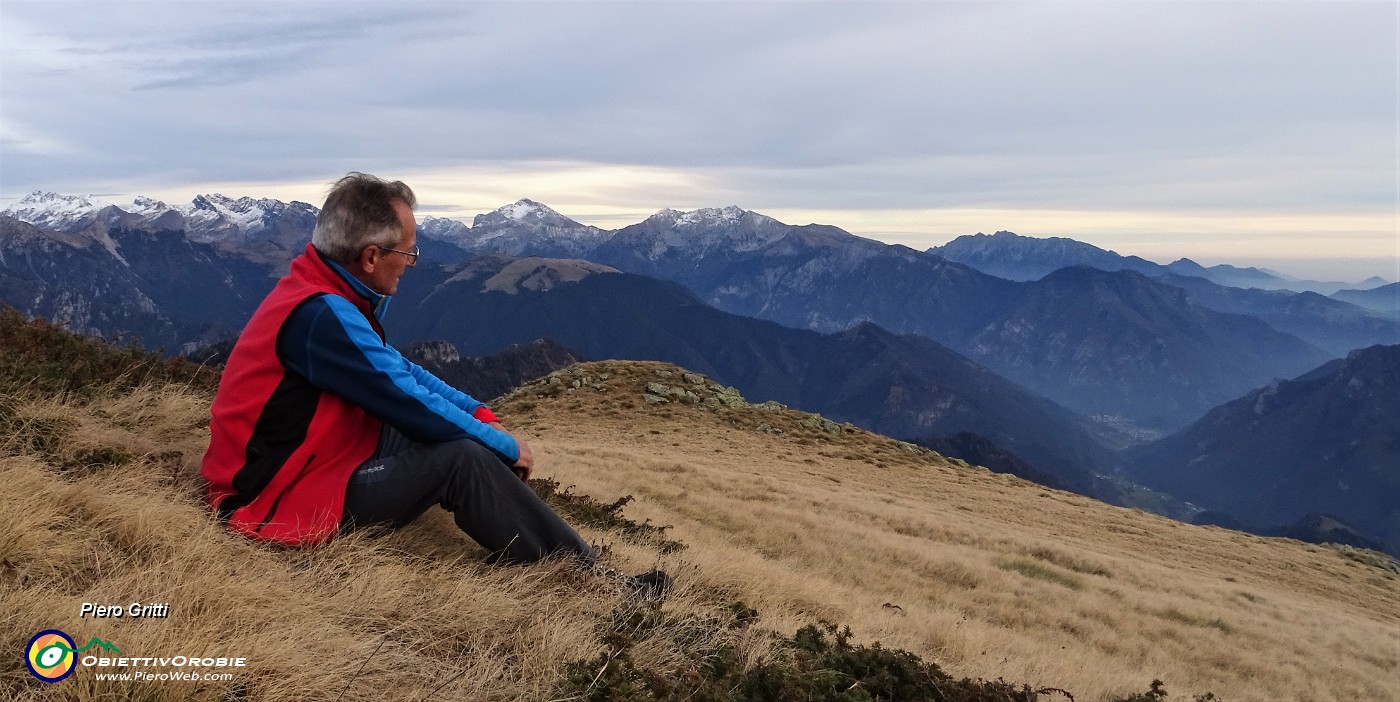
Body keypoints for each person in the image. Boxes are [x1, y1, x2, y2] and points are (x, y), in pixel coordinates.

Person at [199, 173, 662, 588]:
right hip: (271, 495)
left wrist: (478, 413)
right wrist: (502, 445)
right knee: (461, 458)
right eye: (408, 252)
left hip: (312, 459)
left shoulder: (324, 295)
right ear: (371, 256)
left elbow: (401, 372)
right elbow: (407, 399)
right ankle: (588, 577)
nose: (412, 262)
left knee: (450, 435)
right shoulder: (322, 314)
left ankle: (533, 537)